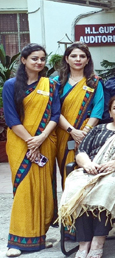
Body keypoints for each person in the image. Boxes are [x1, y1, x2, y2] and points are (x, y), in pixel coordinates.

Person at [57, 95, 115, 258]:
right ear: (110, 112)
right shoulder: (98, 129)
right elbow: (81, 152)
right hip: (92, 168)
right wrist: (87, 164)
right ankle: (84, 243)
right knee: (79, 189)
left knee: (107, 187)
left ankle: (98, 241)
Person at [2, 44, 61, 256]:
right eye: (34, 58)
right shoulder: (11, 85)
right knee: (24, 188)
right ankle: (16, 242)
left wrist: (41, 138)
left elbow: (55, 115)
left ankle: (39, 237)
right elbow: (11, 118)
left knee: (44, 189)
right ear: (24, 60)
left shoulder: (50, 85)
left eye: (42, 59)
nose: (39, 62)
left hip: (45, 141)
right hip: (20, 141)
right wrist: (30, 141)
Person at [53, 43, 104, 186]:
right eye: (74, 56)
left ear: (88, 60)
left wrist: (84, 132)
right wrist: (72, 131)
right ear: (66, 59)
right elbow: (55, 110)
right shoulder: (56, 83)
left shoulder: (94, 82)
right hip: (63, 132)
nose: (78, 59)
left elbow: (98, 109)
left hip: (87, 134)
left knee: (87, 171)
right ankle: (68, 206)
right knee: (66, 171)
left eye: (82, 56)